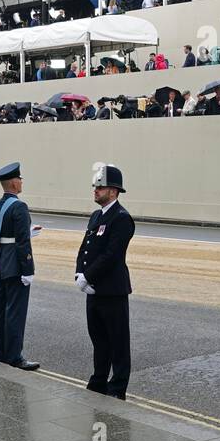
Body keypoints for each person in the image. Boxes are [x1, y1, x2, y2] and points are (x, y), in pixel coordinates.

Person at [75, 164, 135, 400]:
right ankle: (98, 380)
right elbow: (85, 249)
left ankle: (117, 387)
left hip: (112, 291)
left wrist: (89, 277)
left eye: (100, 187)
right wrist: (79, 274)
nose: (95, 190)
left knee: (118, 342)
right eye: (95, 186)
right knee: (98, 339)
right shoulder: (96, 216)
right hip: (93, 290)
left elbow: (112, 255)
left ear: (114, 191)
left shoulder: (121, 219)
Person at [0, 163, 40, 370]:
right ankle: (14, 357)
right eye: (19, 179)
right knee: (15, 312)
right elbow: (22, 242)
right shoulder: (19, 207)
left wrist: (25, 231)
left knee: (1, 310)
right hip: (15, 265)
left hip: (1, 261)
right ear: (13, 182)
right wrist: (28, 269)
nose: (21, 182)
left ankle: (2, 353)